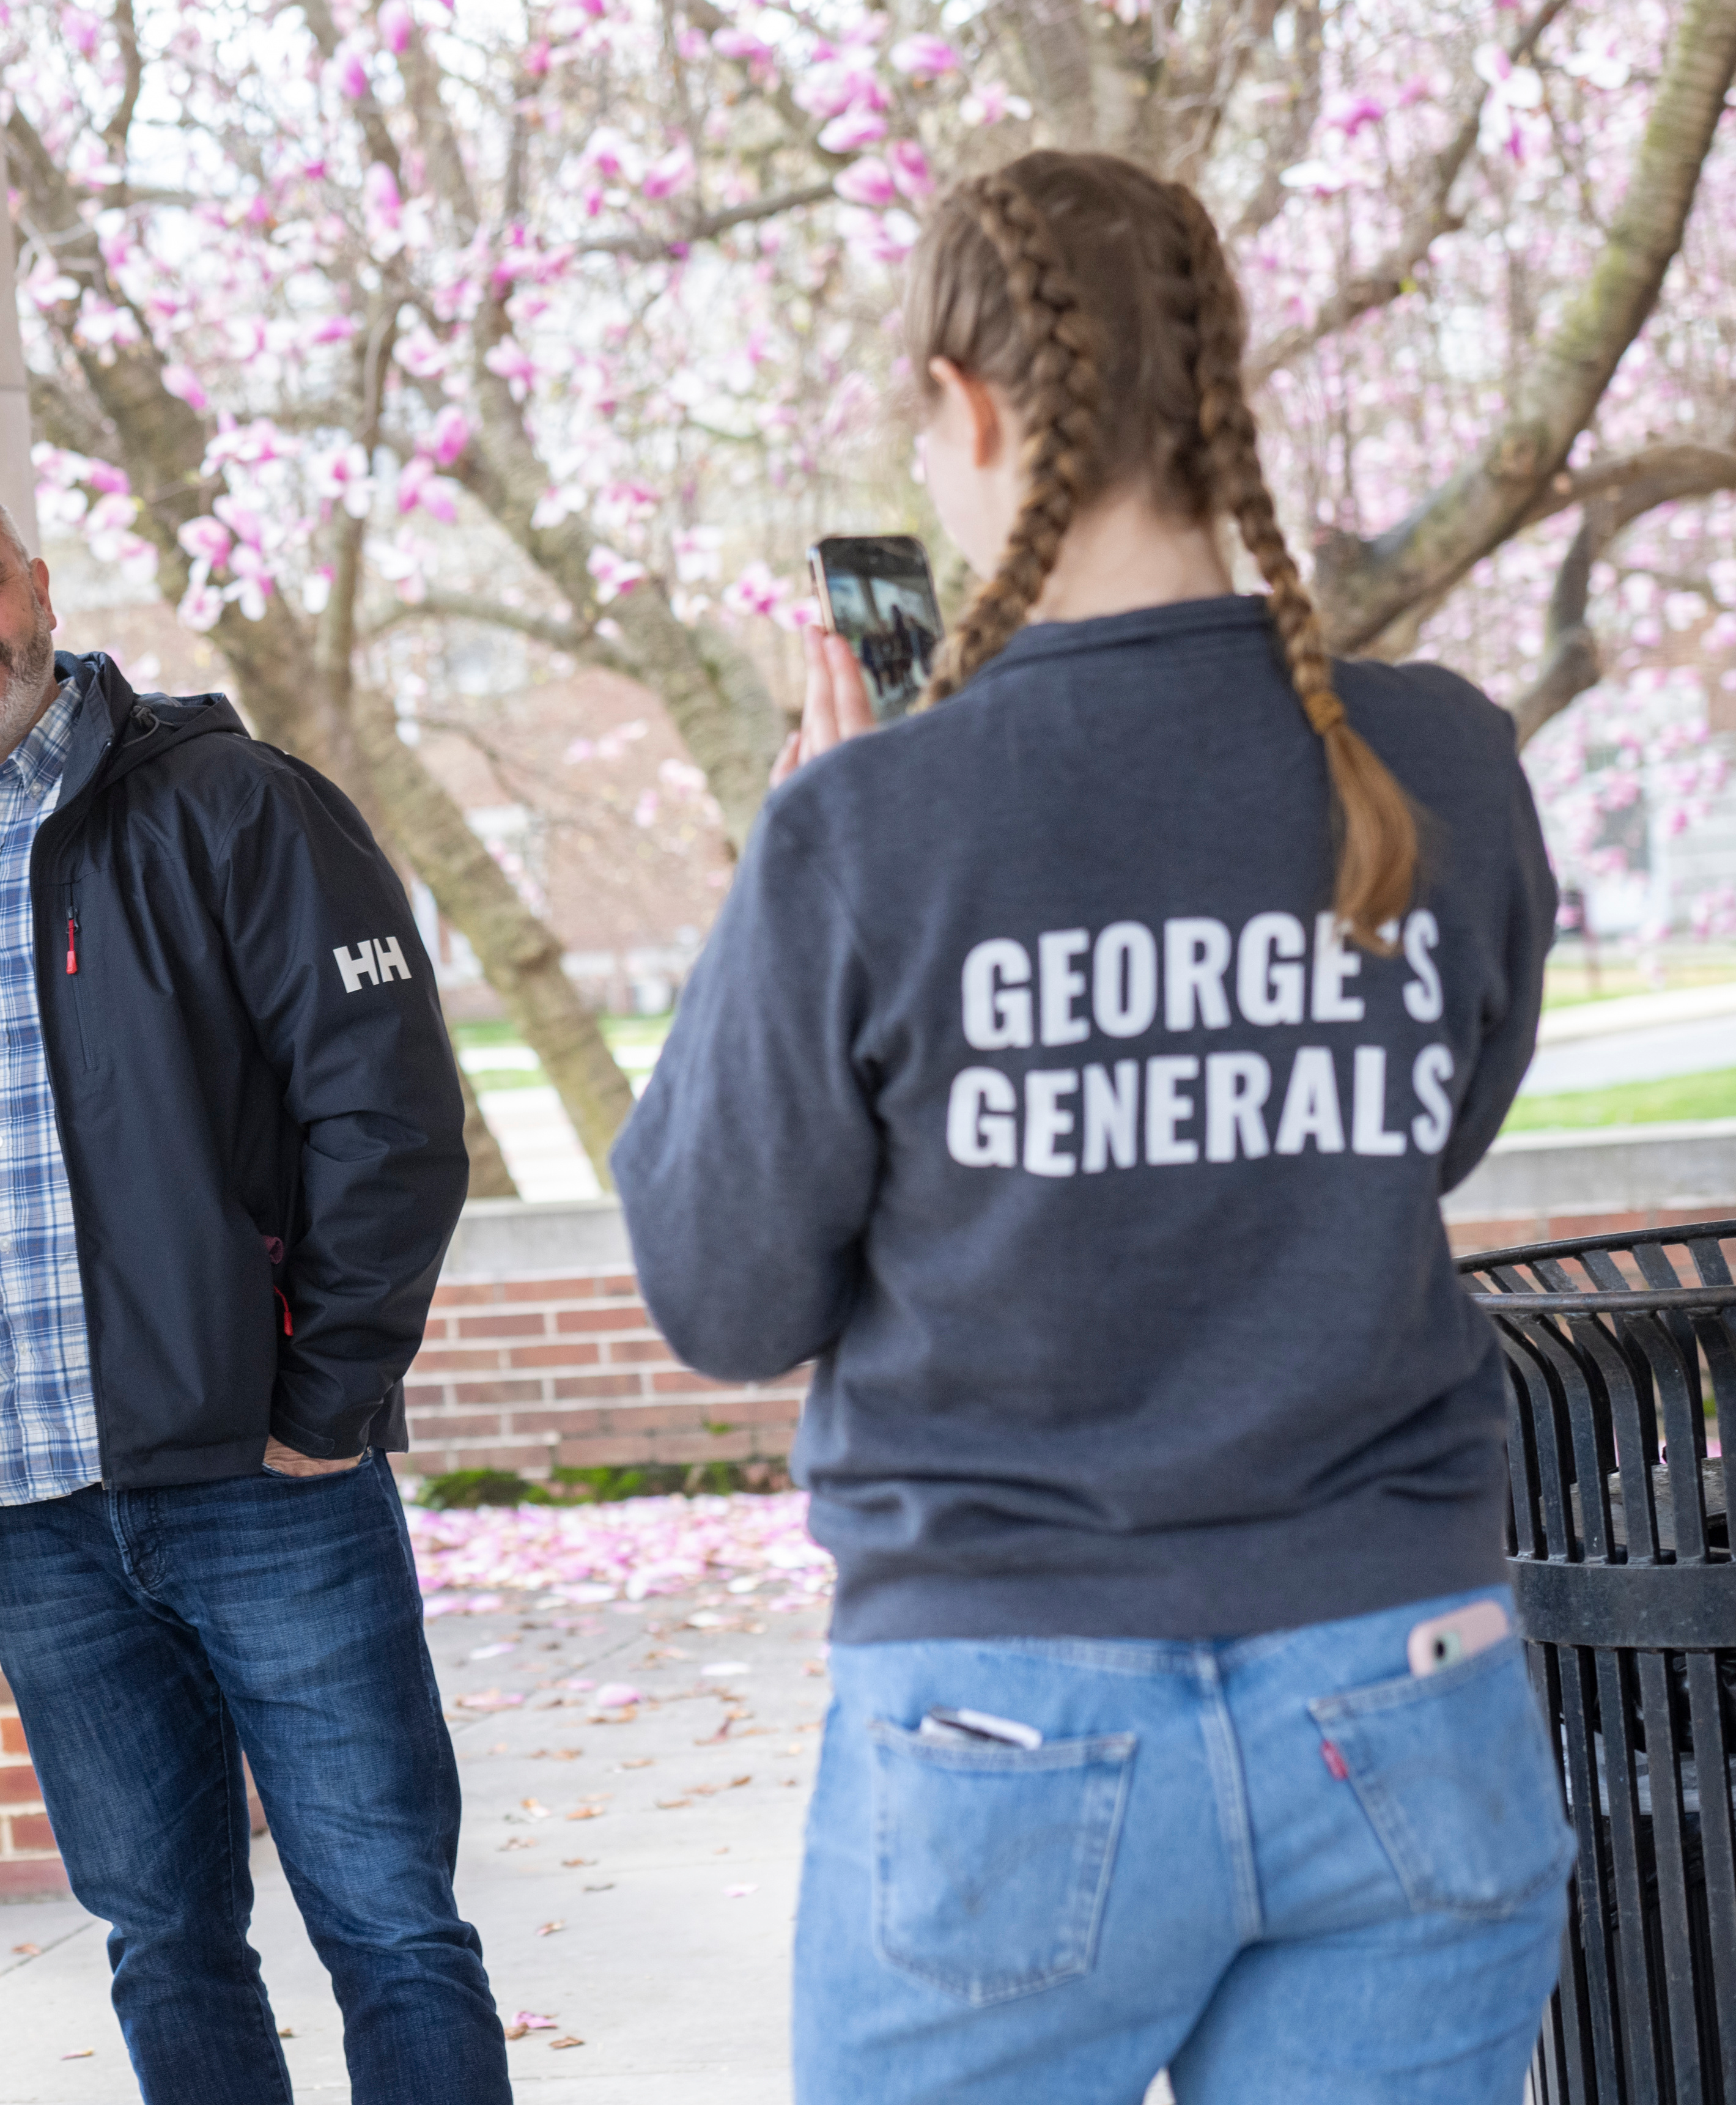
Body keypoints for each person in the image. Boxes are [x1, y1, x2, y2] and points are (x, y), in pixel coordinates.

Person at [613, 149, 1568, 2103]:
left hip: (1003, 1730)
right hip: (1405, 1686)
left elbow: (720, 1290)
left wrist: (786, 873)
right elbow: (1422, 1134)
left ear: (965, 407)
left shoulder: (870, 830)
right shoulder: (1445, 756)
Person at [0, 479, 511, 2105]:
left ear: (41, 591)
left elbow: (392, 1119)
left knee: (394, 1922)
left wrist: (325, 1402)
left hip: (270, 1482)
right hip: (40, 1514)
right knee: (160, 1940)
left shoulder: (235, 805)